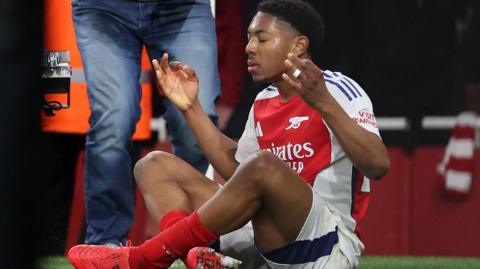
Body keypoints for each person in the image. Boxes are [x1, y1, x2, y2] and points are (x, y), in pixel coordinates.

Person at [68, 0, 390, 268]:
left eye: (262, 39)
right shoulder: (265, 101)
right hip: (266, 240)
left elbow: (378, 165)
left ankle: (145, 258)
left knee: (263, 165)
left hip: (324, 248)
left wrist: (323, 103)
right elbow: (239, 173)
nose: (249, 48)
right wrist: (191, 108)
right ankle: (192, 255)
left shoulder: (338, 89)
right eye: (249, 38)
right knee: (153, 165)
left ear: (298, 45)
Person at [71, 0, 220, 246]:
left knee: (196, 126)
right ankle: (105, 243)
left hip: (183, 9)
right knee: (113, 120)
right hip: (103, 8)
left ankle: (187, 236)